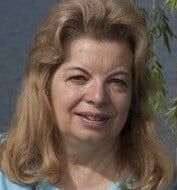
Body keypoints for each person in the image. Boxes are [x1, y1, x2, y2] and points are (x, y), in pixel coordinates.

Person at [0, 0, 176, 189]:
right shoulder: (4, 172)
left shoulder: (161, 185)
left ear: (134, 95)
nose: (98, 97)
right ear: (45, 84)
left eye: (116, 81)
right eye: (79, 78)